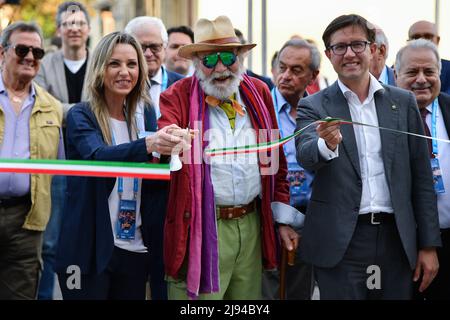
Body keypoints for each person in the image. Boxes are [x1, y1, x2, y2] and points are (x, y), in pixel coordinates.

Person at [294, 14, 441, 300]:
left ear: (373, 49)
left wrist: (428, 245)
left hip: (396, 240)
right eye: (340, 47)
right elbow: (306, 153)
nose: (349, 53)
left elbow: (422, 177)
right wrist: (327, 144)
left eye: (357, 44)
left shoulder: (403, 102)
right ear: (329, 55)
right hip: (341, 243)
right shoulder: (313, 105)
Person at [159, 15, 292, 299]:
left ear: (240, 58)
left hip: (253, 221)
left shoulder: (259, 93)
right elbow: (165, 132)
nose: (220, 68)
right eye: (208, 60)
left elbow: (276, 160)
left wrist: (282, 218)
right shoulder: (177, 95)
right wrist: (171, 138)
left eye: (228, 57)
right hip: (203, 226)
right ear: (196, 64)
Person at [53, 31, 190, 300]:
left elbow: (155, 175)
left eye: (131, 64)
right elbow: (98, 157)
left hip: (135, 247)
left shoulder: (147, 114)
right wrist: (149, 144)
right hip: (88, 250)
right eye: (114, 63)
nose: (124, 72)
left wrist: (171, 148)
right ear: (99, 68)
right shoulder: (82, 114)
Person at [0, 21, 64, 299]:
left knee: (22, 294)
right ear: (2, 53)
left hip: (27, 220)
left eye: (37, 52)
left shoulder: (53, 107)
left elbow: (61, 170)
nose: (29, 57)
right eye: (22, 49)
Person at [124, 15, 184, 300]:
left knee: (164, 277)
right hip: (125, 191)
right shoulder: (117, 86)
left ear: (165, 47)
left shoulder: (185, 87)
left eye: (155, 46)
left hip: (170, 193)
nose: (148, 53)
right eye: (140, 46)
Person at [35, 1, 91, 300]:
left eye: (80, 23)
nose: (74, 29)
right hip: (55, 161)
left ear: (89, 29)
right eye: (68, 24)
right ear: (58, 30)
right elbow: (45, 107)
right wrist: (85, 113)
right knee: (51, 240)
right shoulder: (44, 64)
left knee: (87, 236)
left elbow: (59, 109)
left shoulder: (100, 61)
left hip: (94, 160)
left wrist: (63, 111)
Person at [262, 39, 319, 300]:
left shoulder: (320, 112)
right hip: (265, 219)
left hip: (309, 220)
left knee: (299, 292)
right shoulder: (259, 110)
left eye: (296, 70)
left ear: (313, 75)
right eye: (281, 67)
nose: (286, 76)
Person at [395, 39, 450, 299]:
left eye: (429, 72)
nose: (421, 80)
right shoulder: (381, 115)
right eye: (412, 72)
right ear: (396, 75)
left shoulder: (449, 110)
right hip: (399, 242)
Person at [408, 20, 450, 95]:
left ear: (437, 40)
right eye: (416, 37)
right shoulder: (396, 70)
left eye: (428, 37)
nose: (422, 41)